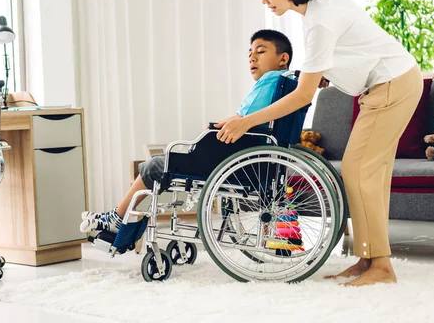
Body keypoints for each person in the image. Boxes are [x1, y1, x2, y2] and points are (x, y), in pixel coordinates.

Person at [216, 0, 423, 287]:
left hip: (391, 84)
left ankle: (381, 267)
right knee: (371, 173)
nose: (264, 0)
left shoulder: (319, 22)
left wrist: (245, 122)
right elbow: (348, 53)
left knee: (358, 171)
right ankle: (368, 260)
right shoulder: (321, 6)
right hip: (388, 83)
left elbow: (302, 95)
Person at [81, 29, 293, 234]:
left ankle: (116, 218)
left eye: (260, 51)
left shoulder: (270, 81)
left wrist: (212, 128)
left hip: (237, 163)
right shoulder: (288, 85)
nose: (252, 58)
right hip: (259, 163)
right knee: (161, 162)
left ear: (283, 58)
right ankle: (118, 217)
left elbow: (240, 120)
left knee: (155, 165)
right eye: (250, 53)